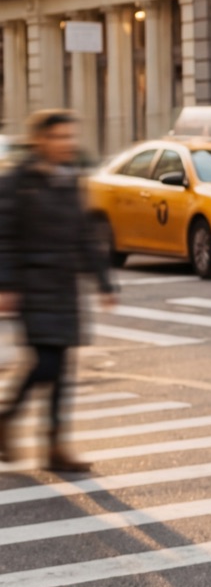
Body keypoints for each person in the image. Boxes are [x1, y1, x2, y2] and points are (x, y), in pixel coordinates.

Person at [0, 110, 118, 472]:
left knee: (62, 369)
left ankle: (55, 447)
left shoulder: (71, 180)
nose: (67, 143)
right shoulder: (18, 182)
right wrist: (7, 285)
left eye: (70, 137)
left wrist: (103, 281)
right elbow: (4, 238)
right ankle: (7, 419)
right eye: (60, 137)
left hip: (65, 288)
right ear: (40, 140)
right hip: (33, 286)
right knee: (46, 364)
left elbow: (84, 235)